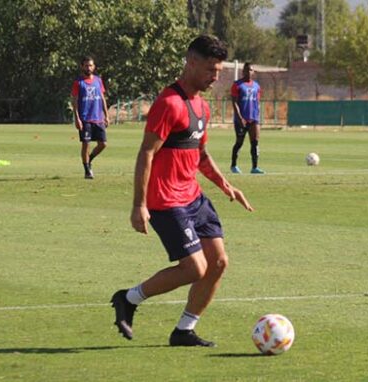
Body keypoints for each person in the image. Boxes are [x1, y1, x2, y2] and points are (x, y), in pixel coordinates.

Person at [110, 35, 253, 347]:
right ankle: (128, 298)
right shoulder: (168, 104)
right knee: (195, 267)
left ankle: (184, 330)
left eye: (219, 70)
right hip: (166, 201)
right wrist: (139, 205)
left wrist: (226, 184)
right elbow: (146, 153)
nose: (215, 76)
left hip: (194, 197)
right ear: (191, 62)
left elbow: (199, 154)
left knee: (218, 263)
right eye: (210, 69)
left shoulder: (201, 106)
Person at [71, 56, 109, 179]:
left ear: (94, 67)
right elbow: (75, 101)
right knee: (86, 144)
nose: (89, 68)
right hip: (85, 119)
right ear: (82, 67)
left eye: (91, 65)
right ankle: (87, 171)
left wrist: (106, 115)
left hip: (98, 118)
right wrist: (77, 118)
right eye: (86, 65)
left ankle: (89, 159)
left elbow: (102, 98)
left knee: (103, 144)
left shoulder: (98, 80)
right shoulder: (78, 83)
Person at [230, 62, 264, 174]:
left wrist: (257, 115)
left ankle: (254, 167)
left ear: (253, 72)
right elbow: (234, 102)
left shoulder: (257, 86)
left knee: (255, 142)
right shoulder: (237, 85)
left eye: (251, 70)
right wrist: (239, 117)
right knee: (239, 142)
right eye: (247, 70)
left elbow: (257, 102)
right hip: (241, 119)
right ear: (243, 71)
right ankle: (234, 165)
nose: (249, 72)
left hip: (254, 119)